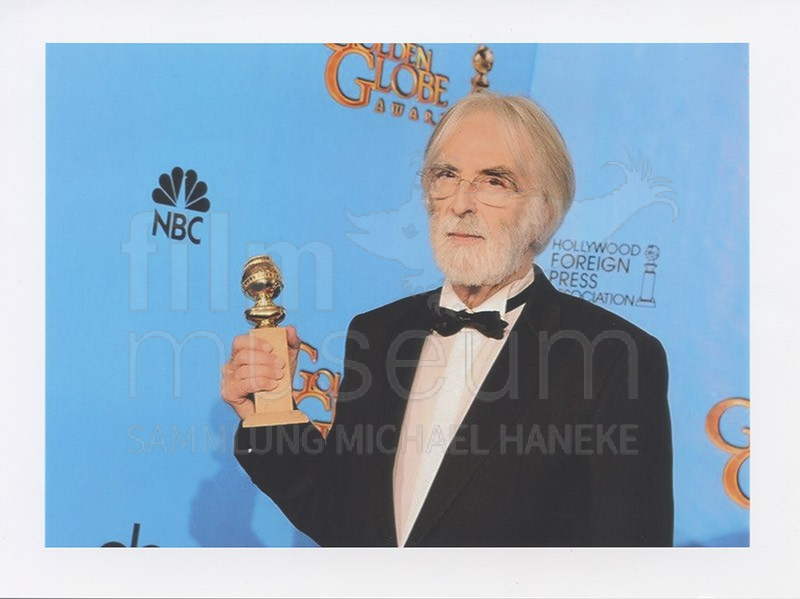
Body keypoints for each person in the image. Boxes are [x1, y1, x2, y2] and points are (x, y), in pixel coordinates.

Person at [221, 92, 674, 547]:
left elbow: (630, 563)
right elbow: (345, 521)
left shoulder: (613, 358)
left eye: (494, 182)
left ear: (545, 212)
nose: (461, 202)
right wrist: (269, 417)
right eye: (446, 176)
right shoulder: (377, 334)